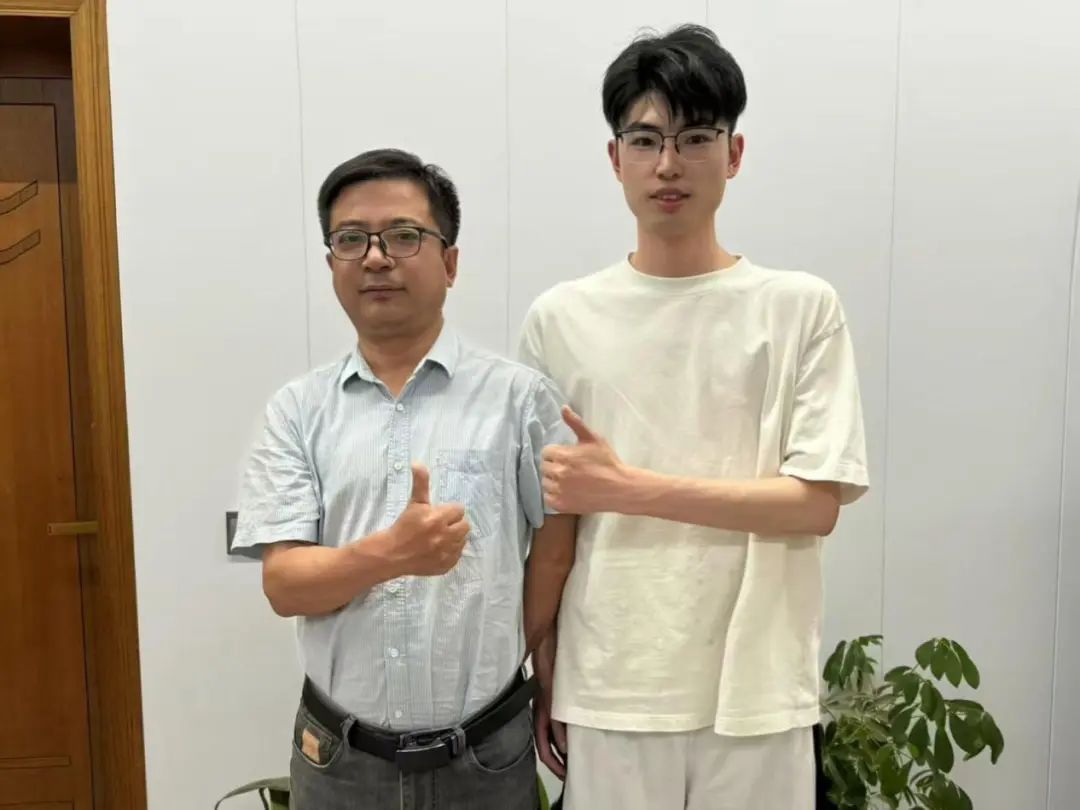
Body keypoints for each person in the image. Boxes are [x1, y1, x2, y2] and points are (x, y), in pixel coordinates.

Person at [519, 25, 869, 810]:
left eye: (695, 138)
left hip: (757, 687)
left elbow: (815, 503)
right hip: (611, 679)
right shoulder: (560, 319)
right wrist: (547, 666)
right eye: (645, 140)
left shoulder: (799, 308)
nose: (668, 164)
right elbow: (556, 521)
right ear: (615, 158)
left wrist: (628, 489)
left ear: (734, 153)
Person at [232, 148, 576, 810]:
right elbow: (285, 585)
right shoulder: (297, 412)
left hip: (487, 751)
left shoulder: (521, 401)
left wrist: (515, 660)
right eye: (351, 239)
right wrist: (392, 554)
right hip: (340, 760)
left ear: (450, 262)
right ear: (331, 263)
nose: (376, 257)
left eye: (403, 236)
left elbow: (557, 552)